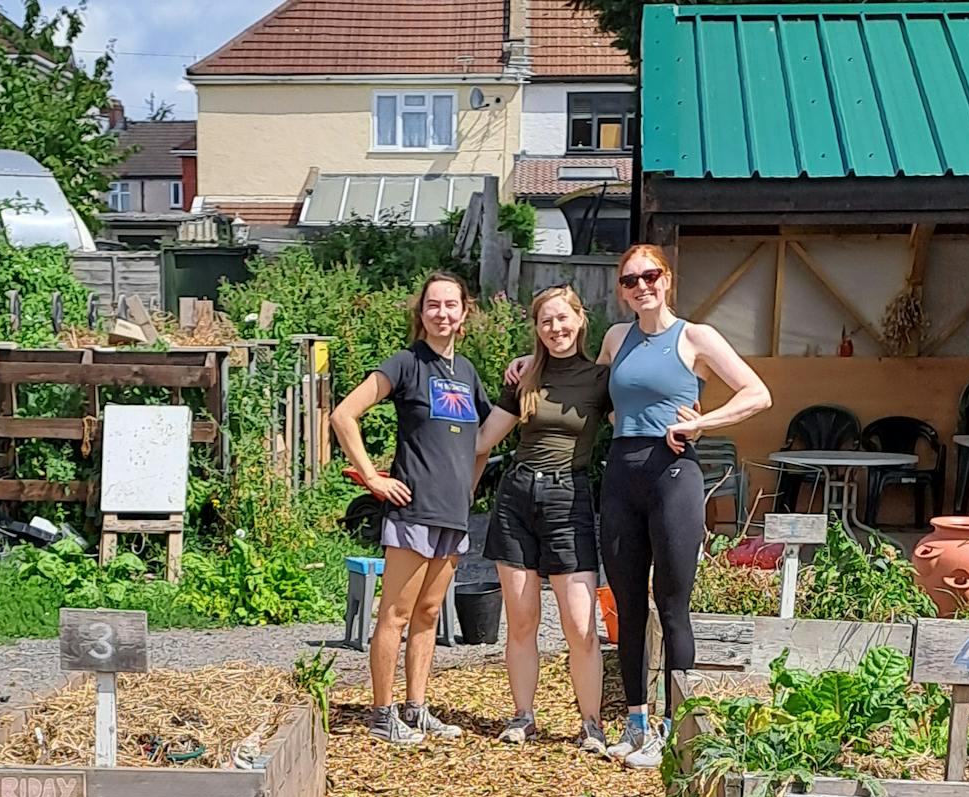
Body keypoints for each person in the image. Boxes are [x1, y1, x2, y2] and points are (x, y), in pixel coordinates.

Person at [504, 246, 770, 768]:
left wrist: (701, 423)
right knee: (626, 609)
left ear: (666, 279)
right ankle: (636, 721)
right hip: (622, 476)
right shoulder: (616, 339)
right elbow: (585, 388)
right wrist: (530, 364)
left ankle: (675, 729)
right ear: (622, 290)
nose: (640, 286)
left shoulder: (696, 337)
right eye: (630, 280)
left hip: (673, 475)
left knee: (672, 607)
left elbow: (757, 394)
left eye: (650, 276)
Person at [330, 272, 491, 746]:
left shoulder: (467, 373)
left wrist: (469, 486)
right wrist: (373, 478)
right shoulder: (405, 364)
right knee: (395, 616)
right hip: (412, 510)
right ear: (421, 314)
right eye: (433, 305)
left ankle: (416, 709)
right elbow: (343, 415)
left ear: (465, 314)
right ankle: (382, 713)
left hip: (452, 514)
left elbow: (481, 441)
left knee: (429, 614)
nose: (442, 313)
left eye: (451, 306)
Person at [472, 286, 611, 752]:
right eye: (546, 321)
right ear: (536, 328)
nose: (556, 329)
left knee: (580, 624)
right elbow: (484, 438)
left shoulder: (600, 379)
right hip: (517, 497)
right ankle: (522, 716)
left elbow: (635, 419)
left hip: (569, 497)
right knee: (522, 620)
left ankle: (591, 723)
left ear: (580, 319)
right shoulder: (524, 377)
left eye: (563, 319)